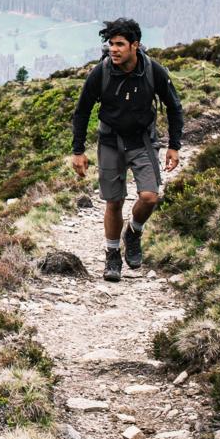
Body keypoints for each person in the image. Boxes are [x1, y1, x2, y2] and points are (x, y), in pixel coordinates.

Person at [69, 17, 183, 282]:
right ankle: (112, 255)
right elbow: (82, 110)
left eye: (120, 44)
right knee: (114, 201)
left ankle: (133, 231)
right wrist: (78, 151)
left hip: (142, 141)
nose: (114, 50)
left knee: (150, 197)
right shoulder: (101, 73)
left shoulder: (154, 71)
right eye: (110, 44)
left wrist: (174, 147)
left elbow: (175, 108)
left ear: (135, 45)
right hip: (110, 141)